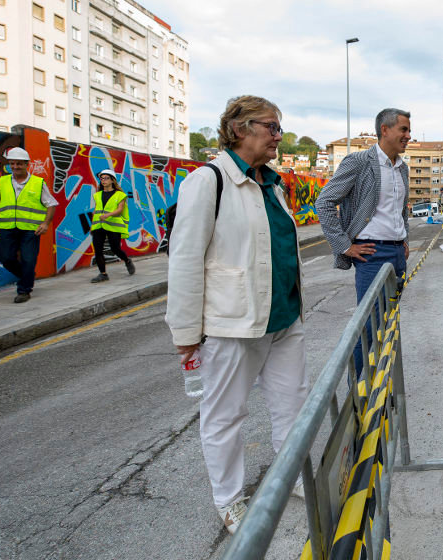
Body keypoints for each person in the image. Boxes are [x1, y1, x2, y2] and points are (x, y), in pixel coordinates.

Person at [165, 95, 308, 534]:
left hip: (284, 317)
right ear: (240, 129)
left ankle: (296, 475)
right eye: (271, 127)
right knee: (225, 414)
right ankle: (228, 498)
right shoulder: (209, 181)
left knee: (293, 404)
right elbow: (185, 258)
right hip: (233, 322)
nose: (278, 137)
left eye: (279, 128)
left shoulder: (273, 183)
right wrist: (186, 332)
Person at [315, 108, 411, 376]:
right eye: (403, 129)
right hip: (372, 254)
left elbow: (400, 209)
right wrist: (344, 245)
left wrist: (404, 239)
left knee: (388, 323)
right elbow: (324, 203)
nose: (408, 136)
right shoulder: (358, 162)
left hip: (397, 253)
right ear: (385, 130)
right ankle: (358, 395)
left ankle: (381, 383)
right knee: (368, 325)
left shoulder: (402, 168)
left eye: (408, 130)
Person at [0, 147, 57, 303]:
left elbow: (51, 204)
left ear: (26, 164)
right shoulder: (3, 181)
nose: (15, 167)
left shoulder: (38, 183)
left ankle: (24, 290)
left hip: (31, 230)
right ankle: (27, 275)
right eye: (12, 163)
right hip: (8, 228)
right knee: (5, 258)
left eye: (19, 164)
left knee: (29, 259)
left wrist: (45, 223)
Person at [89, 169, 135, 282]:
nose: (103, 180)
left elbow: (120, 210)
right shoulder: (97, 195)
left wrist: (107, 215)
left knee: (115, 249)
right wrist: (92, 225)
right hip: (98, 226)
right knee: (98, 250)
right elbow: (96, 210)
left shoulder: (120, 195)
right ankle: (103, 274)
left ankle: (127, 261)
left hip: (113, 226)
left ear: (112, 180)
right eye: (102, 178)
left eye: (106, 178)